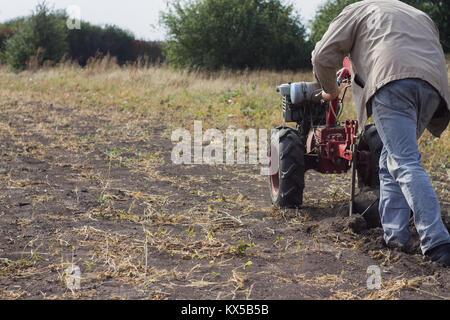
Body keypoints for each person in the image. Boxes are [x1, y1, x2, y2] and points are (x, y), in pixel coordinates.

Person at [312, 0, 450, 266]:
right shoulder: (417, 13)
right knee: (390, 161)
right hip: (434, 87)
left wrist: (329, 90)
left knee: (405, 162)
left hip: (393, 81)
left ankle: (437, 242)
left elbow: (321, 55)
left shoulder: (360, 9)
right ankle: (395, 235)